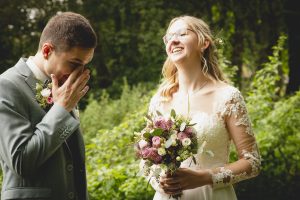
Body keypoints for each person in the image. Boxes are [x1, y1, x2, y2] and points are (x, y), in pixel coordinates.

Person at [142, 15, 261, 200]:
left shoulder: (228, 97)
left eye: (182, 34)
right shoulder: (160, 100)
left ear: (204, 43)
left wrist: (205, 177)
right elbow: (146, 159)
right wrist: (160, 183)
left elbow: (252, 163)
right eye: (169, 37)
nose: (173, 40)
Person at [0, 12, 97, 200]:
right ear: (47, 51)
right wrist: (60, 109)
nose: (78, 74)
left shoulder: (62, 87)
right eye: (74, 63)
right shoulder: (6, 86)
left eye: (84, 65)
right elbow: (21, 161)